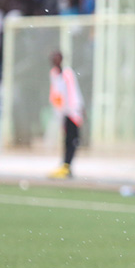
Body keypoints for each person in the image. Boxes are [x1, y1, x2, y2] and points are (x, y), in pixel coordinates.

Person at [48, 51, 84, 179]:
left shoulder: (67, 73)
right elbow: (56, 94)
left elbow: (74, 92)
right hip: (64, 112)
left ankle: (67, 165)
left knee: (72, 140)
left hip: (73, 111)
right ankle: (65, 165)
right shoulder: (54, 74)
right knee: (67, 140)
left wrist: (77, 110)